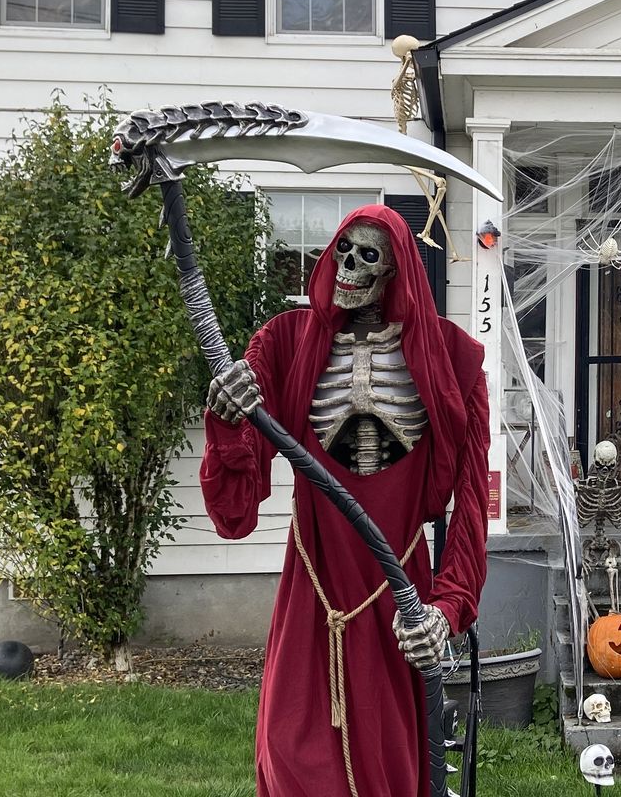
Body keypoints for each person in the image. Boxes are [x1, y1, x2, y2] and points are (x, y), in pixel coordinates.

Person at [201, 203, 490, 797]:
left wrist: (446, 608)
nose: (348, 268)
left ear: (395, 274)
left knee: (393, 770)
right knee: (292, 762)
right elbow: (234, 513)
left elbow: (469, 510)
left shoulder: (453, 362)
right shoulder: (284, 345)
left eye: (368, 256)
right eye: (342, 252)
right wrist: (228, 418)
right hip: (311, 587)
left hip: (396, 599)